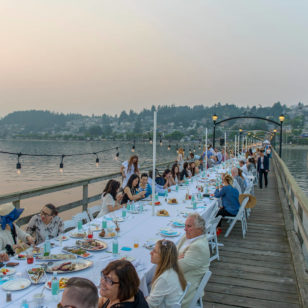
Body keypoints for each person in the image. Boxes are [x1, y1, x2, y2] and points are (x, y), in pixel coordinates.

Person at [177, 213, 210, 308]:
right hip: (179, 279)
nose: (185, 229)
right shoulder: (188, 237)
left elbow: (178, 268)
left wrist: (173, 259)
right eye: (185, 226)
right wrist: (176, 258)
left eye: (189, 226)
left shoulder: (198, 247)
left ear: (199, 229)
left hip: (183, 290)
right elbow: (173, 251)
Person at [147, 240, 186, 308]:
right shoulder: (173, 269)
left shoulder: (164, 278)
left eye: (155, 252)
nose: (151, 253)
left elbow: (150, 305)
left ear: (164, 257)